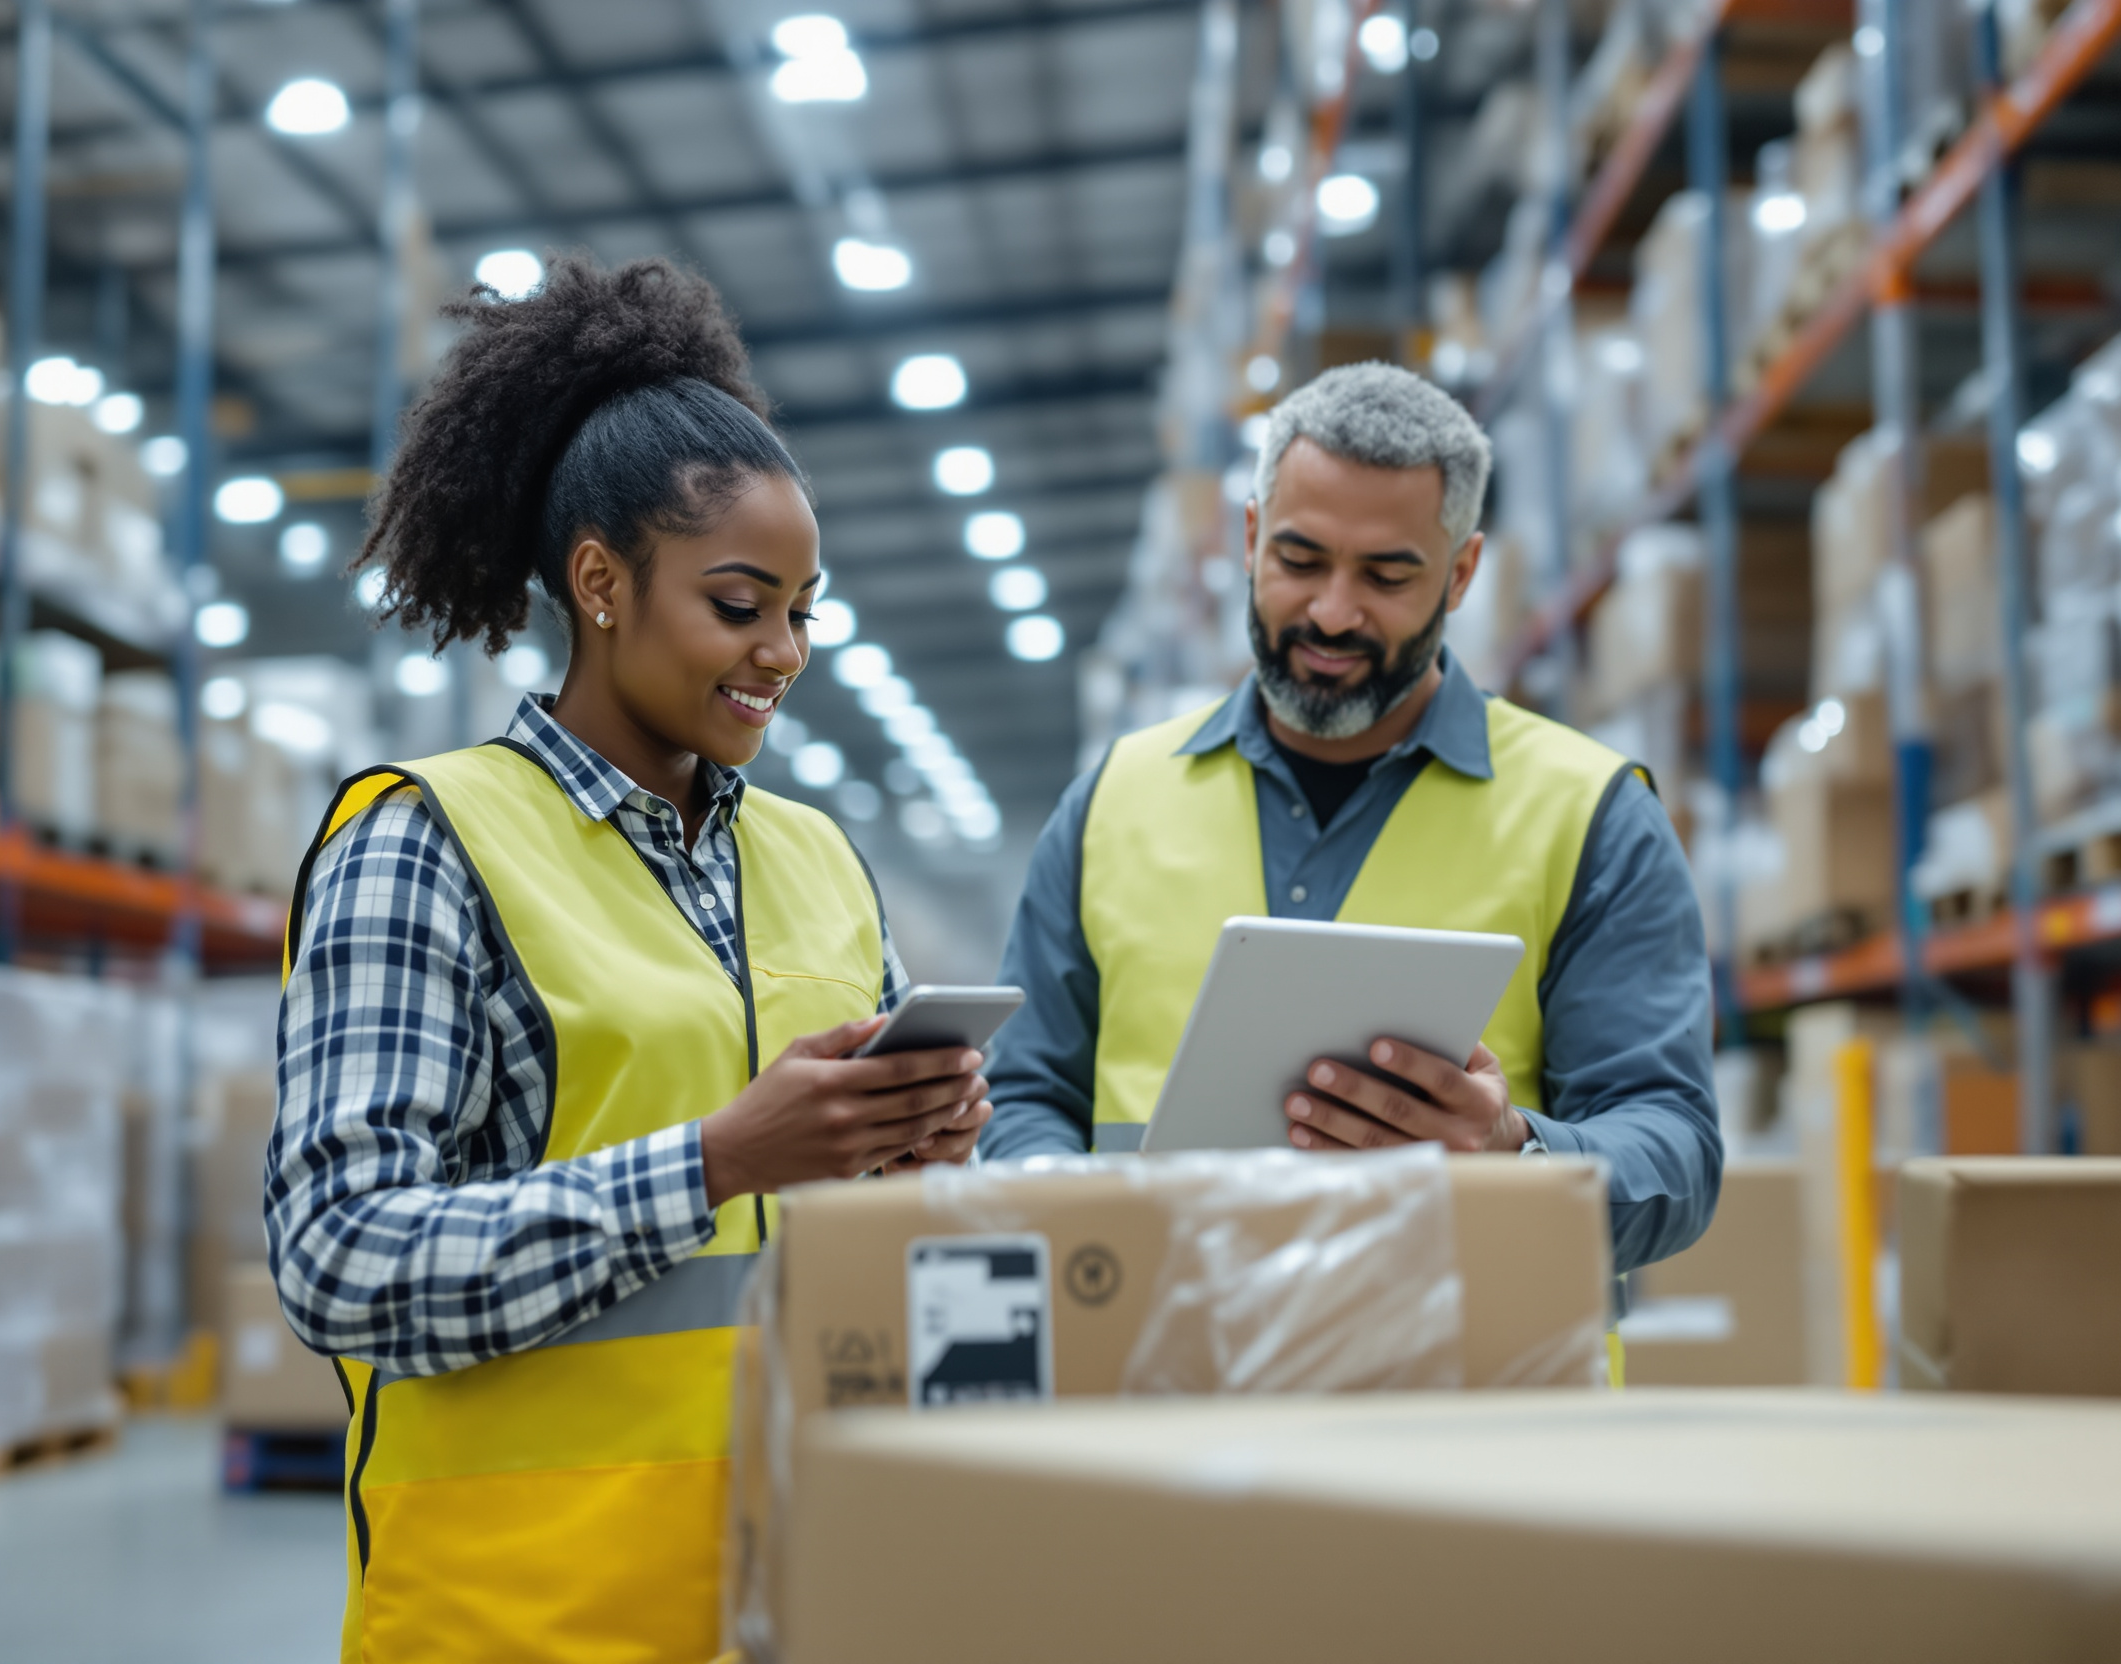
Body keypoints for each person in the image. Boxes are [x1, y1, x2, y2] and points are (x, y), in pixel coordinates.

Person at [266, 256, 992, 1662]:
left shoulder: (821, 864)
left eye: (805, 609)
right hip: (521, 1623)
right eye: (739, 604)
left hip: (798, 1600)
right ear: (600, 581)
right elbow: (339, 1258)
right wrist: (716, 1161)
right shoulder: (426, 844)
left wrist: (919, 1147)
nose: (784, 651)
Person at [983, 361, 1720, 1271]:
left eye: (1387, 575)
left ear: (1461, 576)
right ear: (1250, 539)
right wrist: (1071, 1217)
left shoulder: (1589, 815)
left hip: (1476, 1388)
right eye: (1299, 560)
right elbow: (1020, 1095)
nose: (1333, 612)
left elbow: (1676, 1155)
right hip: (1171, 1381)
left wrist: (1513, 1151)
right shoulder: (1111, 805)